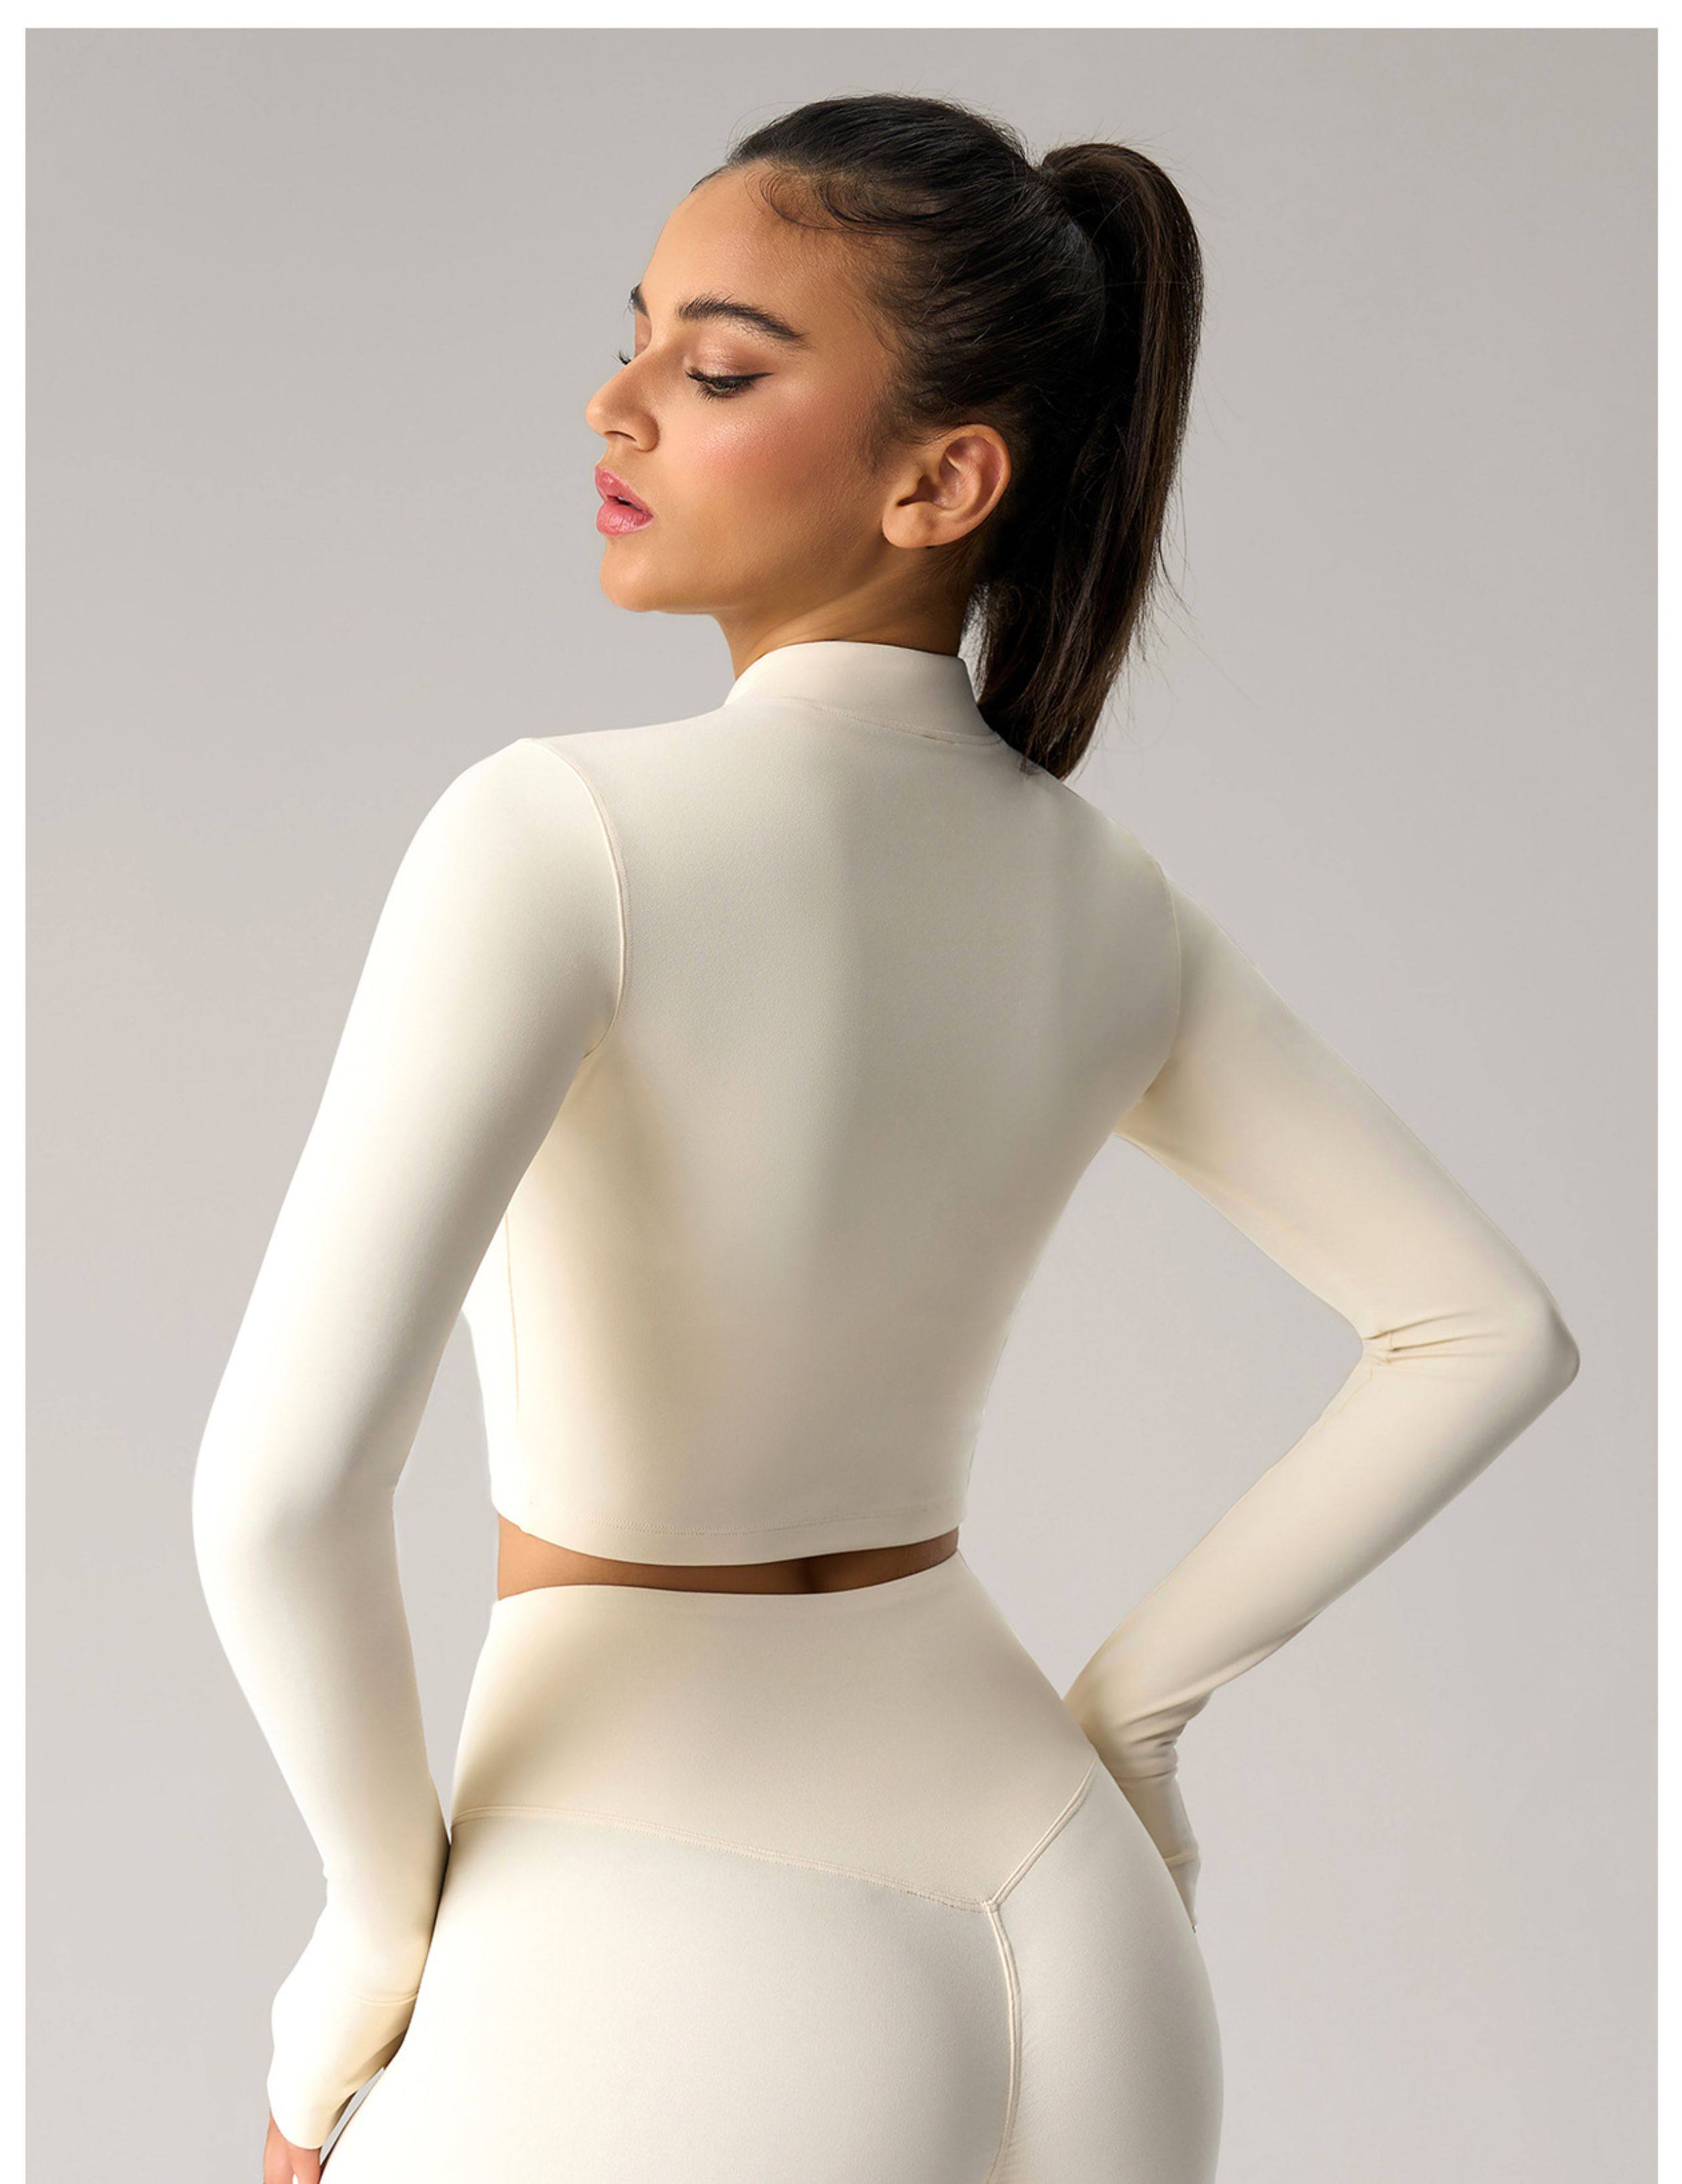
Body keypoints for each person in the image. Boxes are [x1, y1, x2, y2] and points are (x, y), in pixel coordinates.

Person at [191, 93, 1581, 2184]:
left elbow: (283, 1497)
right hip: (1072, 1911)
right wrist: (1130, 1724)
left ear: (944, 479)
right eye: (635, 339)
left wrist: (369, 1936)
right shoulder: (1108, 899)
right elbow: (1486, 1326)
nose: (618, 403)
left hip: (651, 1929)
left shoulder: (555, 832)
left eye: (719, 368)